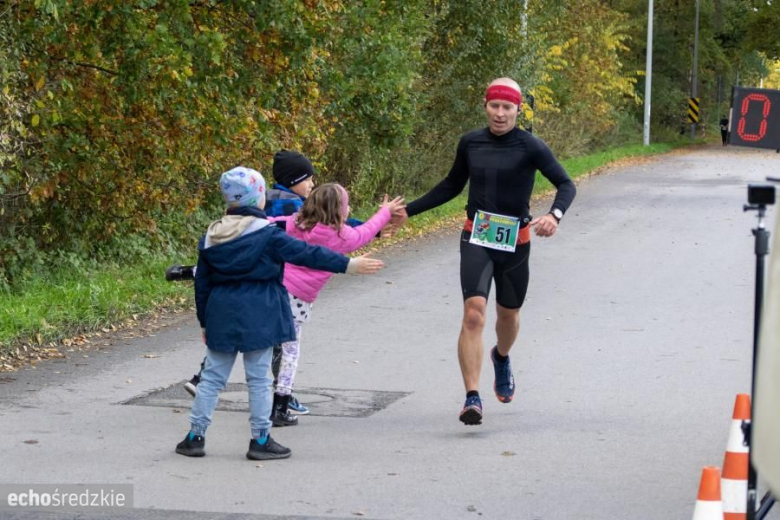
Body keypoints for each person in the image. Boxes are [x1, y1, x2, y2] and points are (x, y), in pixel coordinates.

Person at [396, 77, 576, 426]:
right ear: (485, 105)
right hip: (476, 237)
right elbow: (451, 185)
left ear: (517, 110)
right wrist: (410, 211)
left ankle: (502, 356)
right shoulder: (471, 142)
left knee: (507, 317)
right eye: (494, 105)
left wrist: (554, 215)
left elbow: (566, 184)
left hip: (516, 241)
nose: (500, 113)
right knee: (474, 315)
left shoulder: (531, 146)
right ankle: (472, 397)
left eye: (507, 107)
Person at [175, 167, 384, 460]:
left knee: (211, 379)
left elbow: (203, 283)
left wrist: (204, 320)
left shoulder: (211, 235)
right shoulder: (269, 235)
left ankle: (195, 438)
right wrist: (348, 265)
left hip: (220, 310)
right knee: (259, 378)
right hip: (262, 309)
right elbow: (307, 254)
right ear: (259, 198)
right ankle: (260, 440)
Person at [267, 183, 405, 425]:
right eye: (346, 204)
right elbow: (366, 231)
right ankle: (280, 406)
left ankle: (209, 378)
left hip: (273, 288)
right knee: (290, 352)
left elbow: (269, 222)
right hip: (298, 299)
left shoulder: (296, 223)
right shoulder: (341, 237)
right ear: (339, 210)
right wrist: (385, 212)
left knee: (263, 345)